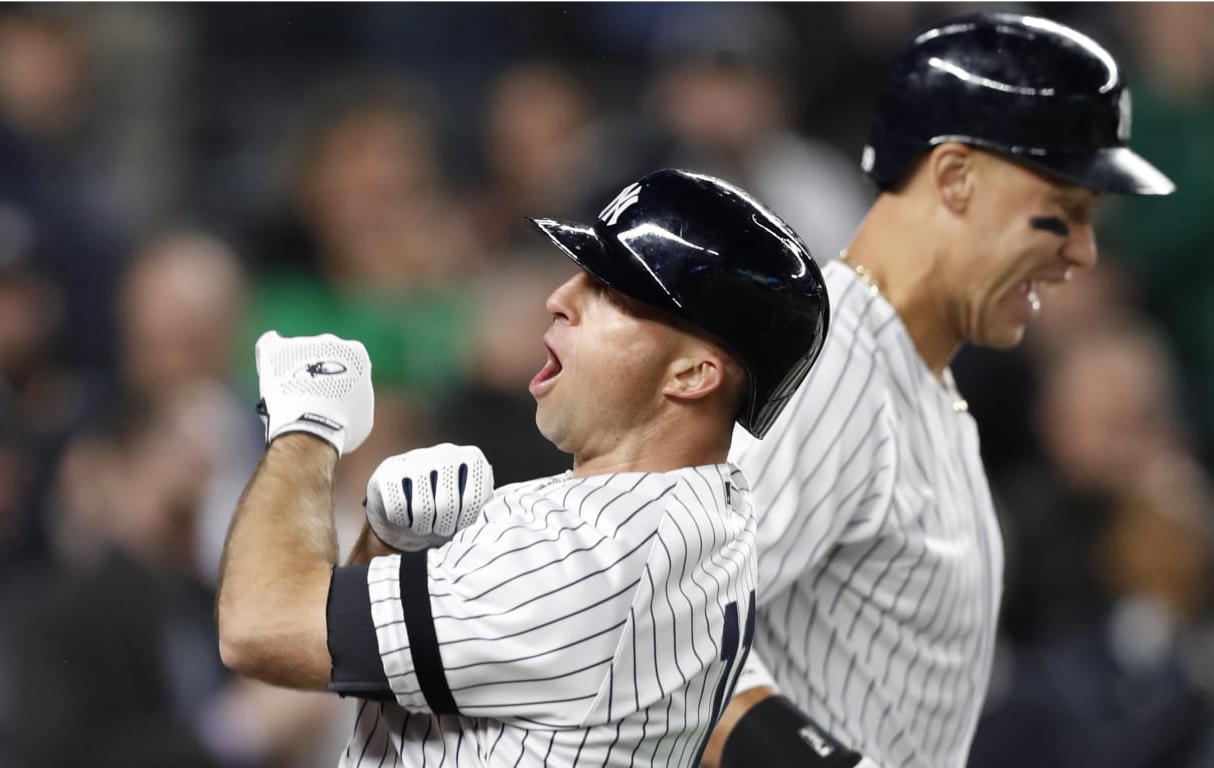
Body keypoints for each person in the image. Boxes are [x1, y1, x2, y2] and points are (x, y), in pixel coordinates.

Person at [215, 168, 830, 765]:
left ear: (693, 374)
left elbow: (260, 627)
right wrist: (385, 547)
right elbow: (364, 674)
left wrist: (309, 427)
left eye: (612, 293)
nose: (561, 299)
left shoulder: (595, 551)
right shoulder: (708, 514)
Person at [700, 12, 1176, 768]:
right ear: (955, 178)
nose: (1083, 252)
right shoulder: (834, 370)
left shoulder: (921, 379)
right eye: (1062, 211)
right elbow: (663, 634)